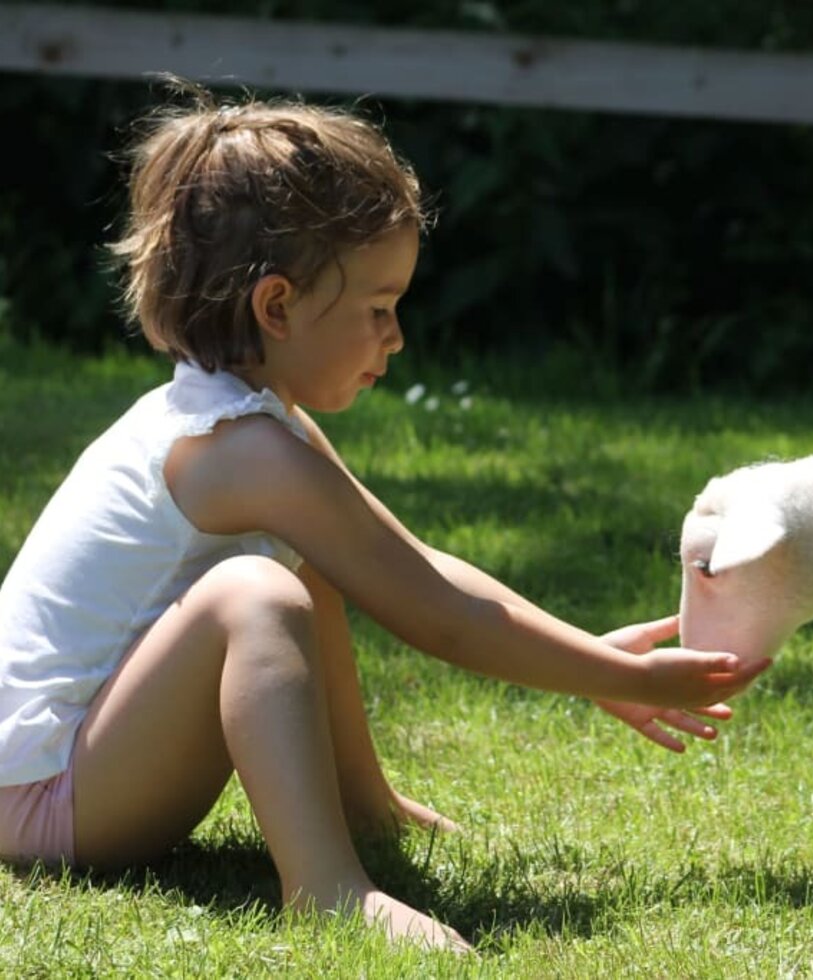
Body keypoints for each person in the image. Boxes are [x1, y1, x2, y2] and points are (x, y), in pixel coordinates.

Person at [0, 82, 769, 953]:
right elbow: (436, 615)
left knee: (309, 564)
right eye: (377, 309)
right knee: (254, 594)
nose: (395, 337)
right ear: (278, 307)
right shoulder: (236, 451)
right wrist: (623, 680)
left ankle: (363, 811)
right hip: (44, 805)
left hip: (61, 777)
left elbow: (414, 563)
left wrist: (591, 660)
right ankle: (328, 889)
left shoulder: (252, 427)